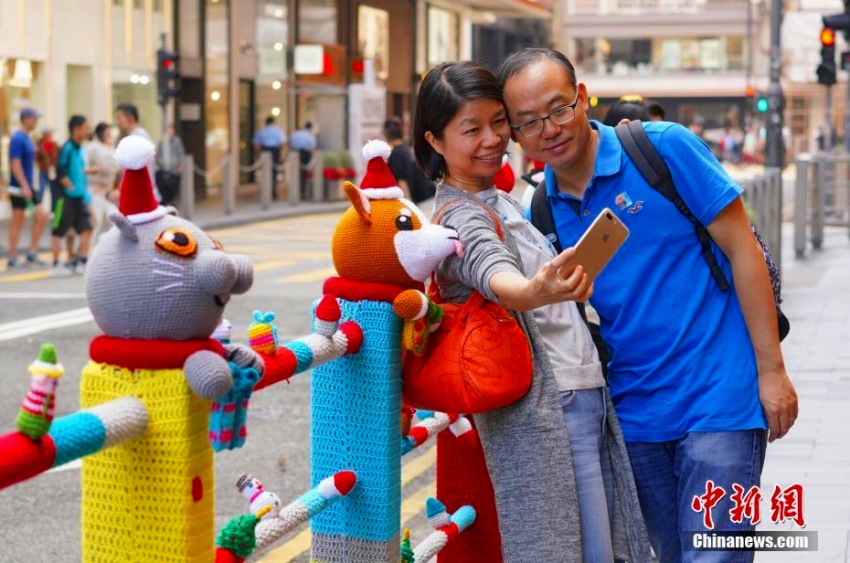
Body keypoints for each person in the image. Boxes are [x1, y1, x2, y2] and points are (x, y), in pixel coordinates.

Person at [498, 47, 798, 562]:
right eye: (528, 122)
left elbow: (742, 250)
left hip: (720, 395)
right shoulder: (542, 210)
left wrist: (771, 371)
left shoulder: (663, 149)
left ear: (583, 98)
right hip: (634, 413)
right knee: (671, 554)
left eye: (558, 108)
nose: (549, 129)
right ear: (515, 135)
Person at [414, 60, 650, 563]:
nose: (492, 139)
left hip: (578, 393)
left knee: (601, 546)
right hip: (550, 407)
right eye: (471, 129)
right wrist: (530, 289)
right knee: (572, 550)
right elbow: (492, 270)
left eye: (498, 122)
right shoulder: (458, 216)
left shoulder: (502, 199)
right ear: (435, 141)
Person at [52, 115, 94, 277]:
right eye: (85, 127)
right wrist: (69, 185)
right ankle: (55, 264)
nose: (88, 131)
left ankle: (79, 260)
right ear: (76, 129)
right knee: (59, 230)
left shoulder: (80, 149)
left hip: (80, 198)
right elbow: (59, 170)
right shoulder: (68, 147)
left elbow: (77, 171)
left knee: (86, 229)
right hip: (66, 198)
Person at [7, 108, 49, 268]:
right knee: (18, 221)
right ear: (26, 119)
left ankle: (31, 253)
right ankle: (12, 257)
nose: (36, 122)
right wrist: (24, 185)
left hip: (29, 186)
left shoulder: (28, 138)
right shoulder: (17, 138)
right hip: (19, 187)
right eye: (34, 118)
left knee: (41, 215)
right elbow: (15, 163)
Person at [383, 118, 435, 204]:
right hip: (426, 196)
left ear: (387, 135)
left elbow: (402, 180)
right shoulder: (408, 150)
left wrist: (408, 203)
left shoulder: (395, 155)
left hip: (416, 201)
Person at [116, 103, 159, 200]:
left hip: (141, 195)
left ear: (130, 118)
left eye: (119, 118)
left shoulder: (137, 138)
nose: (118, 122)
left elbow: (132, 168)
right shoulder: (134, 136)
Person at [86, 122, 120, 239]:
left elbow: (116, 166)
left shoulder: (110, 147)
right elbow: (106, 165)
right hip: (95, 190)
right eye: (107, 133)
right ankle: (89, 252)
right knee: (96, 223)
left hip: (108, 192)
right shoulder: (92, 147)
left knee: (114, 221)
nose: (109, 135)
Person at [253, 116, 288, 200]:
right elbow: (282, 142)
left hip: (265, 150)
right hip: (275, 151)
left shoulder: (262, 130)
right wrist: (281, 153)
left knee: (265, 171)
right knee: (274, 172)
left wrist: (257, 155)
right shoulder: (277, 130)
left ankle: (266, 189)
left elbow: (256, 145)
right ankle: (273, 189)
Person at [156, 122, 185, 205]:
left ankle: (172, 202)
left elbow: (180, 153)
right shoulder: (162, 142)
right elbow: (158, 155)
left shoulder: (177, 141)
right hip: (164, 169)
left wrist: (180, 165)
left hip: (174, 170)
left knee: (173, 188)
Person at [290, 121, 317, 199]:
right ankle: (302, 191)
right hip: (305, 154)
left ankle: (295, 190)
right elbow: (312, 147)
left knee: (296, 173)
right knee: (304, 174)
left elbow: (291, 143)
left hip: (295, 153)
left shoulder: (297, 133)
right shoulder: (309, 135)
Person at [35, 126, 60, 207]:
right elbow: (36, 157)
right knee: (41, 189)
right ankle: (39, 207)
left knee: (53, 191)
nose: (49, 135)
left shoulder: (55, 145)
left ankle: (53, 209)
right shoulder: (39, 145)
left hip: (52, 171)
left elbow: (58, 156)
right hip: (43, 170)